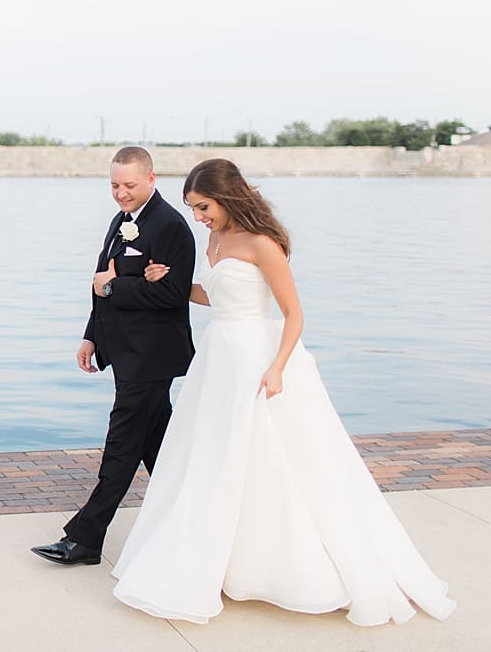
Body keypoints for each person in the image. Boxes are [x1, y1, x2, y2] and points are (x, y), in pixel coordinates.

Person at [112, 158, 455, 626]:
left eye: (204, 207)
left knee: (271, 458)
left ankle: (286, 565)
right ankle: (220, 559)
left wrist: (277, 367)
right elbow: (219, 295)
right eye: (193, 209)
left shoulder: (262, 243)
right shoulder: (213, 239)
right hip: (218, 359)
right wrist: (173, 284)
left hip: (257, 357)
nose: (199, 217)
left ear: (228, 197)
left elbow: (293, 313)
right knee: (216, 456)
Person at [31, 146, 195, 566]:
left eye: (129, 185)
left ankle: (85, 538)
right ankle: (192, 521)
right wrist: (91, 337)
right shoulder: (121, 222)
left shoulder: (171, 226)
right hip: (123, 351)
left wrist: (114, 284)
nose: (121, 194)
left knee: (122, 445)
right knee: (156, 445)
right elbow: (98, 282)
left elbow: (172, 295)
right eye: (114, 185)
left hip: (152, 355)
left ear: (152, 179)